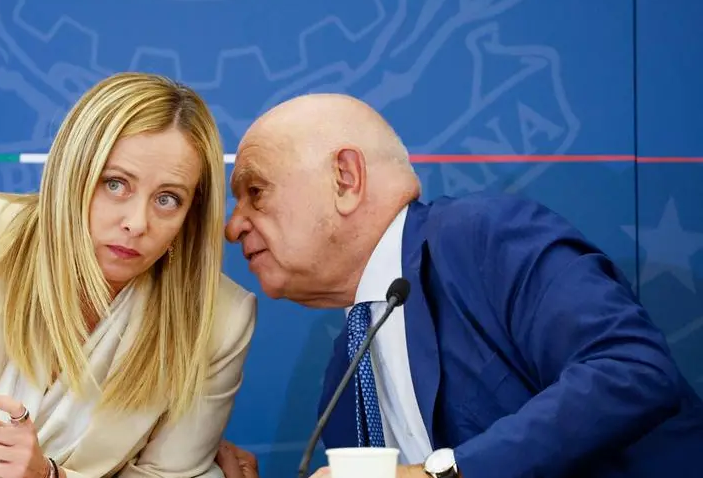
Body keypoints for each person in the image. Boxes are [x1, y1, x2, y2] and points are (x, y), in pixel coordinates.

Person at [219, 93, 703, 478]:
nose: (232, 226)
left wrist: (440, 475)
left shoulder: (485, 237)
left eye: (255, 192)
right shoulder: (344, 383)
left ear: (345, 179)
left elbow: (631, 368)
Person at [0, 72, 257, 478]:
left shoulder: (221, 319)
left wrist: (48, 476)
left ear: (190, 214)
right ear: (73, 176)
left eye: (168, 199)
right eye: (115, 184)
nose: (136, 222)